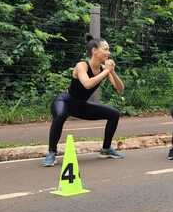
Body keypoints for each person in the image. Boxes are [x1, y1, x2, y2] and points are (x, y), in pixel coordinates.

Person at [42, 36, 125, 167]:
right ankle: (51, 153)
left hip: (81, 105)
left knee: (114, 114)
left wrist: (112, 72)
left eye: (109, 50)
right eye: (106, 49)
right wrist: (107, 71)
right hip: (65, 101)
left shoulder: (104, 69)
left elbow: (120, 89)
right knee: (60, 116)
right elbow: (87, 84)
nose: (109, 53)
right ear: (94, 51)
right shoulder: (82, 65)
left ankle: (106, 149)